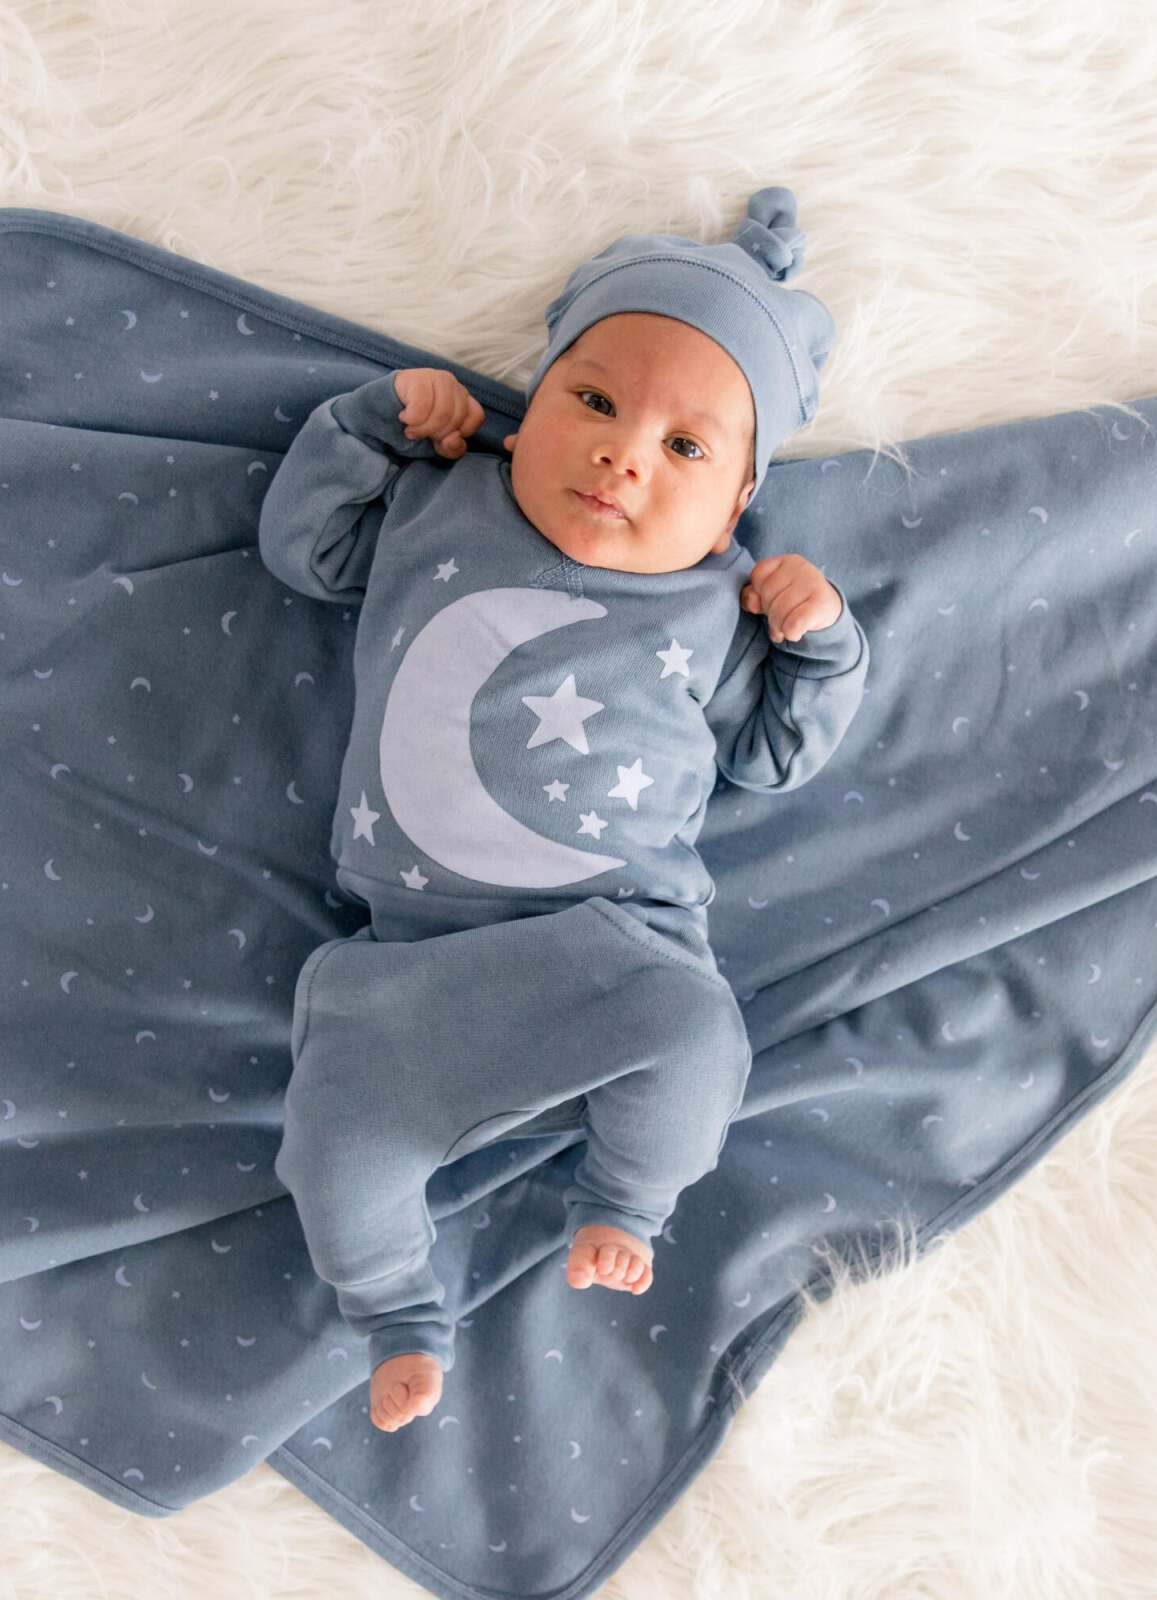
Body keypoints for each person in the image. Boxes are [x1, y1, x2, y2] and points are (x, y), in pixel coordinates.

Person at [257, 186, 870, 1432]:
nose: (623, 453)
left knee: (700, 1045)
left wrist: (823, 650)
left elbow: (769, 759)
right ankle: (398, 1317)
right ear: (533, 398)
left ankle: (624, 1202)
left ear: (740, 497)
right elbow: (304, 552)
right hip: (407, 973)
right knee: (334, 1147)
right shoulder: (436, 503)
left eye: (685, 449)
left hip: (614, 948)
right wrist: (369, 427)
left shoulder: (720, 604)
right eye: (593, 400)